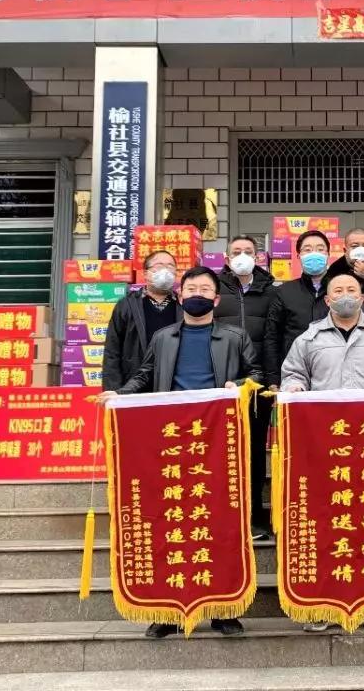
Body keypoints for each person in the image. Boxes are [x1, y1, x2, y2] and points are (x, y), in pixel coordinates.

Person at [100, 265, 259, 639]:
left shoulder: (235, 336)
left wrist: (240, 385)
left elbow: (258, 374)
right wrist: (120, 394)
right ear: (180, 296)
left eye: (205, 289)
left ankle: (224, 609)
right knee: (170, 522)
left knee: (220, 523)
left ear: (216, 300)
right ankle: (169, 611)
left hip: (218, 441)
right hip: (171, 442)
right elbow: (145, 375)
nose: (197, 294)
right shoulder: (164, 337)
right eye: (191, 289)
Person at [280, 272, 364, 632]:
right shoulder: (309, 339)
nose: (345, 295)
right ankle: (324, 604)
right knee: (327, 520)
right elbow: (293, 374)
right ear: (326, 300)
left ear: (362, 297)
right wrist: (294, 387)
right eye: (337, 290)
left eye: (351, 290)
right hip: (323, 446)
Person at [215, 235, 277, 540]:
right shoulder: (214, 290)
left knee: (253, 451)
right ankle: (225, 517)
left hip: (257, 385)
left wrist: (271, 378)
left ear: (258, 257)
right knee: (221, 451)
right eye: (237, 251)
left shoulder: (271, 292)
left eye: (248, 251)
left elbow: (275, 337)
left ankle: (254, 516)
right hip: (220, 385)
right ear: (227, 259)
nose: (243, 256)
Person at [102, 250, 182, 394]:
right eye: (159, 266)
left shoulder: (183, 305)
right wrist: (115, 391)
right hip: (133, 386)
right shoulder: (126, 305)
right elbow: (112, 351)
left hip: (174, 386)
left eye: (170, 266)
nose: (165, 271)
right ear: (145, 273)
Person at [263, 230, 331, 390]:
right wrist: (273, 380)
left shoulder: (340, 289)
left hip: (331, 374)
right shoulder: (284, 292)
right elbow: (272, 337)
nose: (314, 253)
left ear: (328, 254)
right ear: (298, 256)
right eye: (307, 249)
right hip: (293, 377)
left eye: (320, 249)